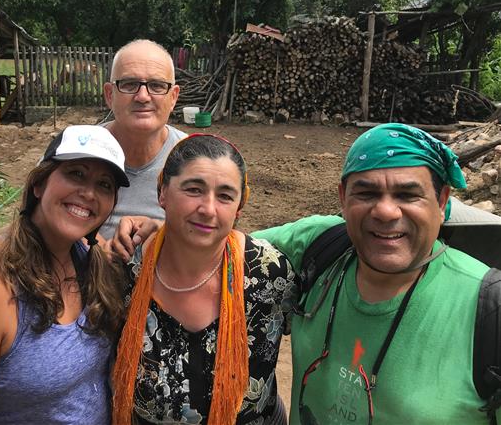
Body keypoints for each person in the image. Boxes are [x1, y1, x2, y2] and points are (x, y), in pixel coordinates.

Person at [252, 123, 500, 424]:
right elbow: (218, 249)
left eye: (408, 195)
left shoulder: (489, 312)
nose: (385, 211)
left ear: (442, 201)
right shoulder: (319, 246)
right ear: (343, 198)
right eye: (367, 193)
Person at [0, 125, 130, 425]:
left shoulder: (88, 258)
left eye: (104, 185)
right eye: (76, 173)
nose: (88, 193)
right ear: (39, 184)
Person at [112, 134, 296, 425]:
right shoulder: (123, 272)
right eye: (193, 189)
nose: (208, 209)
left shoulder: (270, 273)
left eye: (225, 195)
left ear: (239, 207)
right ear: (162, 193)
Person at [99, 39, 186, 241]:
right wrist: (86, 245)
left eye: (156, 85)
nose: (143, 96)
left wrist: (164, 237)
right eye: (130, 84)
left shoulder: (194, 159)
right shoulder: (76, 151)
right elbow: (37, 220)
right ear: (109, 94)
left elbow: (217, 235)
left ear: (173, 97)